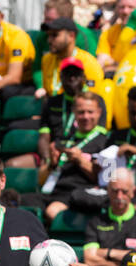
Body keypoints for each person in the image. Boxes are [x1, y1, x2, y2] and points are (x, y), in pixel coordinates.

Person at [43, 89, 110, 221]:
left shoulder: (107, 142)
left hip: (79, 194)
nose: (85, 117)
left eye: (90, 112)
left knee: (52, 211)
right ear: (74, 113)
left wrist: (80, 160)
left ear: (99, 113)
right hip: (52, 191)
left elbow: (107, 181)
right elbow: (41, 178)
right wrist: (52, 163)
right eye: (81, 112)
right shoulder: (63, 139)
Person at [40, 16, 106, 97]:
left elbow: (92, 101)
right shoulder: (46, 60)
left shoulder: (89, 63)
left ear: (71, 35)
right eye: (48, 35)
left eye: (54, 35)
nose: (49, 40)